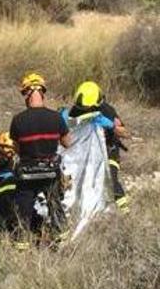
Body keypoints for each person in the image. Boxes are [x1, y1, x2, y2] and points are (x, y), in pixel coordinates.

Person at [9, 73, 72, 246]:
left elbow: (17, 149)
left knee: (23, 211)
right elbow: (67, 143)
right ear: (42, 92)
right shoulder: (56, 117)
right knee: (55, 205)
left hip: (27, 174)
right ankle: (63, 241)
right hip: (50, 172)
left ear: (28, 93)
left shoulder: (18, 120)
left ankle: (22, 245)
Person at [64, 81, 130, 211]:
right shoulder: (74, 111)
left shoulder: (106, 110)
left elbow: (123, 131)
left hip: (108, 149)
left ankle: (125, 212)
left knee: (110, 178)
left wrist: (113, 126)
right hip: (85, 150)